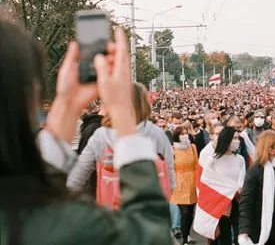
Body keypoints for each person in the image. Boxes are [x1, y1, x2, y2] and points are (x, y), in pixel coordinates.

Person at [0, 14, 172, 244]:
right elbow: (152, 233)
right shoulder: (71, 227)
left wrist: (68, 105)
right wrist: (121, 108)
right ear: (28, 99)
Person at [170, 126, 198, 245]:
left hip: (192, 181)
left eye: (186, 133)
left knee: (190, 212)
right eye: (182, 134)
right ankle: (185, 239)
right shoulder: (172, 149)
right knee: (184, 212)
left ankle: (187, 235)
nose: (185, 136)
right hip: (179, 182)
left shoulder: (192, 147)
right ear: (177, 136)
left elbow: (196, 164)